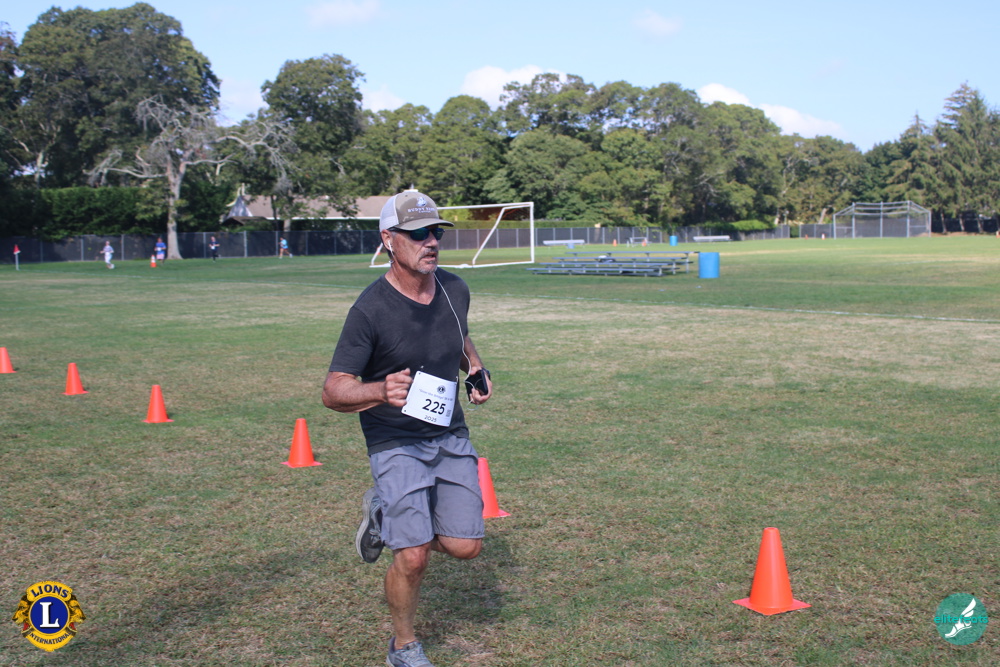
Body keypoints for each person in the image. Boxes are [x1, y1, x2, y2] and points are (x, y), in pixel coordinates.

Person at [322, 190, 493, 667]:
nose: (431, 241)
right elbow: (333, 390)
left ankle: (387, 518)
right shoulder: (370, 310)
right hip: (394, 440)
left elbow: (459, 334)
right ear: (389, 239)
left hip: (449, 433)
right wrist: (380, 390)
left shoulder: (454, 288)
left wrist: (475, 367)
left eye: (436, 232)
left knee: (466, 546)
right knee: (414, 555)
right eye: (418, 234)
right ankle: (403, 646)